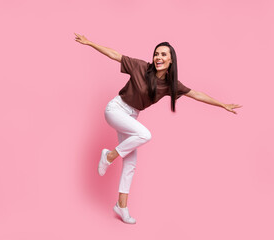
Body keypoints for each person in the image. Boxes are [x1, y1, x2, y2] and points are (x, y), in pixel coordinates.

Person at [74, 33, 242, 224]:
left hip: (132, 116)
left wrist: (223, 105)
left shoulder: (170, 84)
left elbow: (196, 94)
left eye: (163, 55)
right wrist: (89, 43)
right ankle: (109, 156)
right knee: (144, 134)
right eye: (156, 54)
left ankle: (121, 206)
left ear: (171, 60)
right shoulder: (140, 67)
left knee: (131, 163)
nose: (159, 58)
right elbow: (115, 55)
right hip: (116, 109)